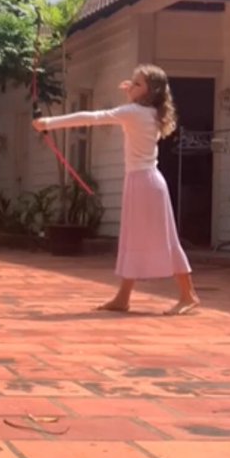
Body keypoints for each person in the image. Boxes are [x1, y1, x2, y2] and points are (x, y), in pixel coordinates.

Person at [33, 64, 201, 316]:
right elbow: (132, 108)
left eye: (136, 83)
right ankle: (123, 297)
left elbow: (92, 118)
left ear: (149, 92)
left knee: (164, 239)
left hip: (145, 183)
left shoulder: (134, 112)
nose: (129, 85)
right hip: (144, 182)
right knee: (134, 239)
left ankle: (188, 295)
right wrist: (133, 91)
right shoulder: (149, 111)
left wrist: (47, 122)